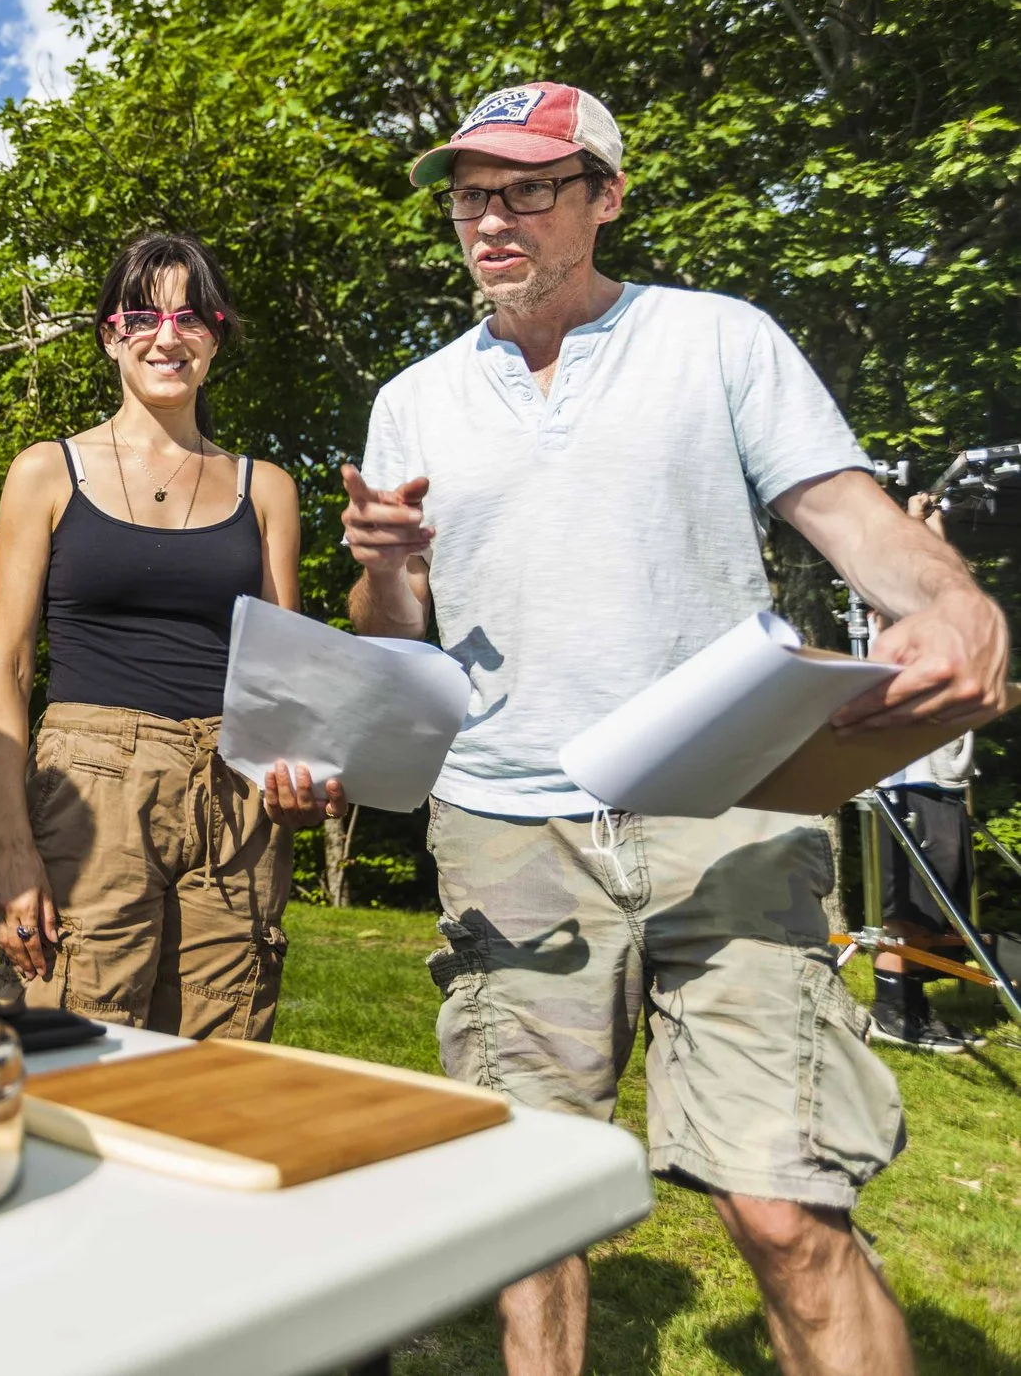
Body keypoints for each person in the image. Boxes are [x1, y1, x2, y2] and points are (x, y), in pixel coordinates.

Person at [341, 81, 1008, 1376]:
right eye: (472, 192)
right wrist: (382, 560)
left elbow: (859, 520)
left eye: (528, 186)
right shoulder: (413, 398)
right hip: (508, 830)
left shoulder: (717, 342)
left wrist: (956, 599)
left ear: (606, 194)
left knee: (785, 1201)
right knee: (533, 1212)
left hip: (731, 807)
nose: (490, 217)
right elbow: (394, 636)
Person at [0, 233, 346, 1039]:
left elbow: (283, 679)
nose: (167, 335)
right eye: (143, 314)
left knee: (220, 1066)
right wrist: (13, 847)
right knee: (70, 1049)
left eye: (192, 315)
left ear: (217, 336)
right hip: (91, 789)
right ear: (111, 332)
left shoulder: (268, 490)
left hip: (235, 798)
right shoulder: (46, 471)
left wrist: (301, 788)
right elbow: (6, 667)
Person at [869, 491, 984, 1054]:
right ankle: (894, 1013)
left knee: (936, 907)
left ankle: (913, 1008)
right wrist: (911, 524)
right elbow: (902, 581)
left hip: (940, 777)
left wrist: (933, 527)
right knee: (907, 911)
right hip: (907, 779)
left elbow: (940, 580)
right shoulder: (895, 621)